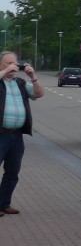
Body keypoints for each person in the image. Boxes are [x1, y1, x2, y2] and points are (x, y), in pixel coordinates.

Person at [0, 51, 45, 217]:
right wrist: (5, 72)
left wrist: (33, 77)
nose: (13, 66)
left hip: (16, 136)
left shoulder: (20, 83)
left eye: (15, 63)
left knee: (12, 172)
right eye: (8, 63)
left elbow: (39, 93)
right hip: (0, 134)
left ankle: (3, 204)